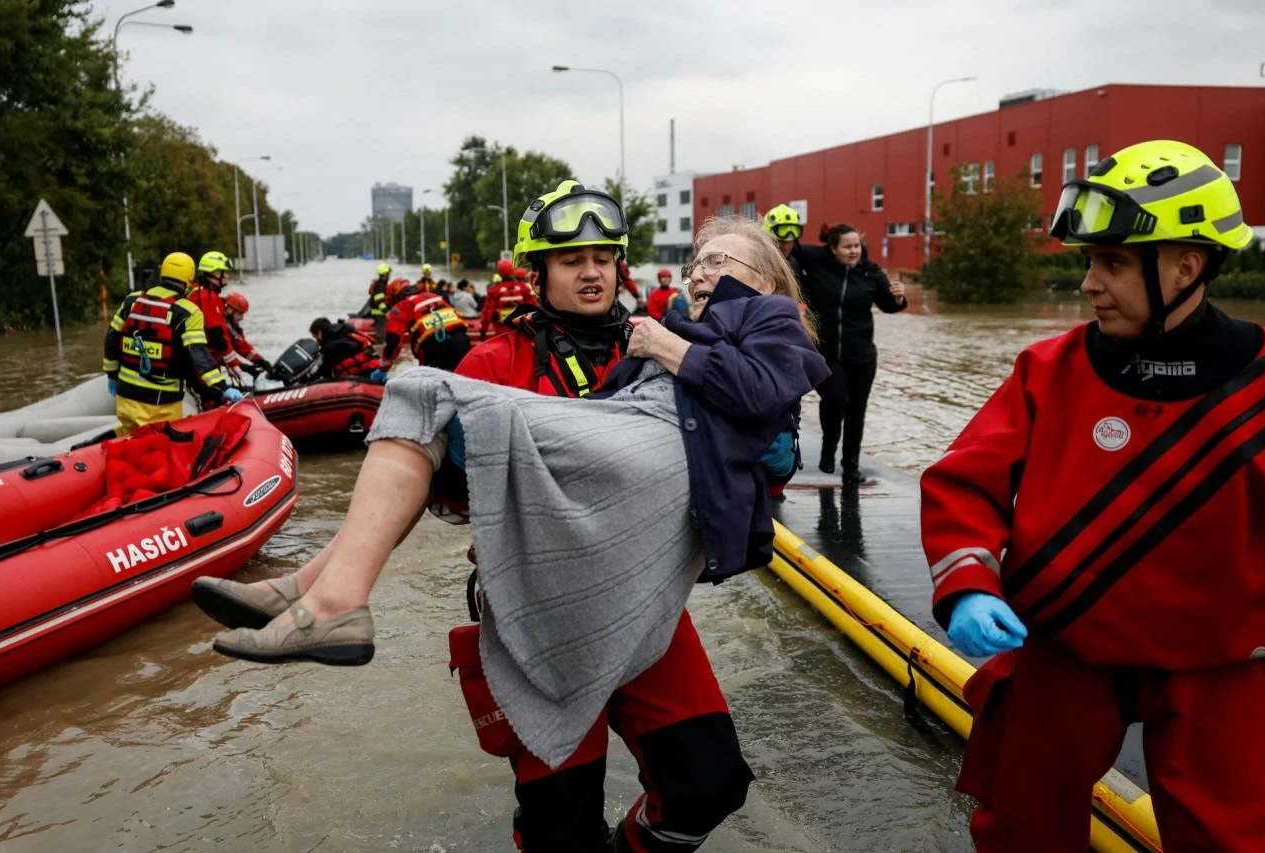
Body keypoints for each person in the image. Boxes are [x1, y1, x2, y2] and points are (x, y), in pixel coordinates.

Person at [193, 182, 825, 852]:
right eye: (569, 259)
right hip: (534, 602)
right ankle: (317, 590)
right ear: (539, 274)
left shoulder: (662, 345)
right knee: (560, 824)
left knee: (710, 782)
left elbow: (754, 416)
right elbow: (432, 484)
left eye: (602, 258)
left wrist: (769, 452)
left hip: (645, 600)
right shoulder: (495, 362)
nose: (590, 272)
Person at [920, 140, 1265, 852]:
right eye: (1090, 262)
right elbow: (964, 481)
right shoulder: (1048, 370)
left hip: (1222, 664)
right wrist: (967, 584)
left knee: (1235, 838)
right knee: (1020, 825)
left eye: (1111, 262)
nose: (1088, 284)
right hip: (1062, 647)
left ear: (1185, 264)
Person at [795, 223, 906, 483]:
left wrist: (899, 299)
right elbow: (789, 251)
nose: (854, 251)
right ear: (833, 248)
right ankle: (828, 449)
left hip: (863, 356)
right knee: (835, 399)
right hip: (827, 352)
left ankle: (851, 467)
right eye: (847, 246)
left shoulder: (870, 273)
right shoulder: (816, 263)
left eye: (856, 246)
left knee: (857, 410)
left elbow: (888, 305)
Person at [103, 252, 242, 434]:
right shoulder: (188, 311)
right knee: (159, 447)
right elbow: (199, 355)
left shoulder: (132, 300)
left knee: (127, 436)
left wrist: (112, 375)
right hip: (161, 402)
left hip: (125, 395)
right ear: (189, 277)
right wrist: (222, 387)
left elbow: (111, 338)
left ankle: (86, 450)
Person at [371, 277, 470, 381]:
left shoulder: (402, 305)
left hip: (434, 349)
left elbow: (393, 340)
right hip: (463, 343)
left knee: (432, 389)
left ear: (395, 296)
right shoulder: (434, 296)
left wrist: (383, 368)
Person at [186, 250, 246, 381]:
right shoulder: (207, 297)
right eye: (225, 272)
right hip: (203, 362)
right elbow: (216, 335)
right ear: (215, 273)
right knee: (212, 399)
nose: (228, 276)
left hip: (197, 358)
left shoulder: (196, 290)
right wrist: (234, 364)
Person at [480, 257, 538, 340]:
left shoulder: (494, 290)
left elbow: (487, 313)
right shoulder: (523, 288)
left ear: (499, 273)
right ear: (513, 271)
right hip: (522, 329)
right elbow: (534, 307)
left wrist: (483, 331)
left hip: (501, 332)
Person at [309, 316, 382, 380]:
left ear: (319, 333)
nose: (317, 340)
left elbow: (323, 370)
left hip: (361, 377)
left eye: (315, 337)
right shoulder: (350, 334)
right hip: (377, 371)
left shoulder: (329, 347)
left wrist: (306, 381)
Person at [223, 292, 271, 377]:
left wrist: (261, 361)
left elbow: (242, 346)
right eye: (240, 314)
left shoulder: (232, 325)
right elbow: (220, 352)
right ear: (230, 309)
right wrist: (243, 366)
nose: (242, 318)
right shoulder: (218, 325)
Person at [762, 203, 806, 280]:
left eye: (790, 240)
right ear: (767, 238)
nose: (786, 246)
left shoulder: (794, 264)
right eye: (780, 240)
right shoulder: (758, 265)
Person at [368, 263, 391, 340]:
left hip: (379, 313)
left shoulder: (381, 284)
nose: (389, 275)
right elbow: (379, 301)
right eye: (388, 273)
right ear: (384, 274)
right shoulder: (380, 285)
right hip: (379, 314)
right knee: (381, 337)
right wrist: (386, 311)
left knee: (382, 336)